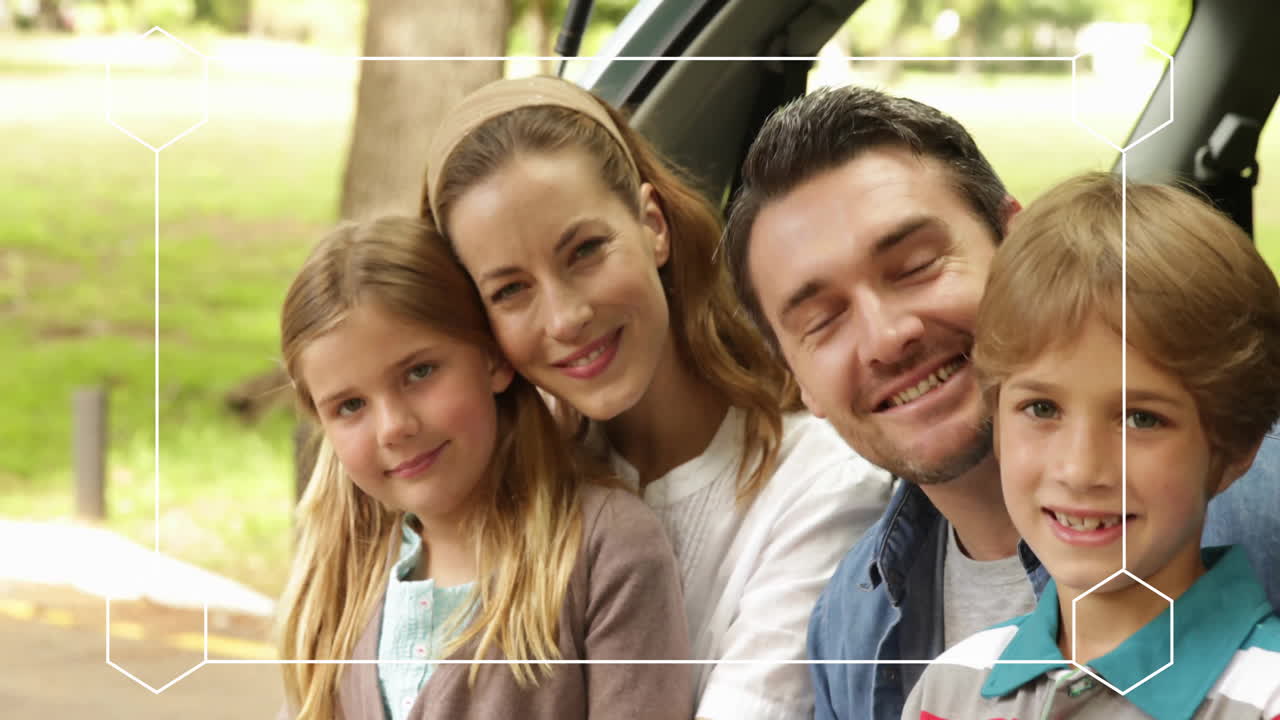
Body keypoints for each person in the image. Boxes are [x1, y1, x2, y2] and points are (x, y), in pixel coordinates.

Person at [721, 85, 1280, 720]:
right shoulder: (851, 621)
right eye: (821, 320)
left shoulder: (1264, 514)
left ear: (1019, 244)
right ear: (793, 377)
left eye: (917, 266)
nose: (886, 337)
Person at [421, 75, 894, 720]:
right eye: (510, 290)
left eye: (585, 250)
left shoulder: (824, 484)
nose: (565, 318)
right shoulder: (506, 493)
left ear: (652, 225)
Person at [275, 216, 693, 720]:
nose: (393, 427)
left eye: (419, 372)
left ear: (493, 359)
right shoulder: (343, 577)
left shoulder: (604, 549)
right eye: (349, 406)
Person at [904, 173, 1280, 717]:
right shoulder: (949, 689)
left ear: (1236, 445)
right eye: (1041, 409)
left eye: (1141, 418)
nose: (1080, 469)